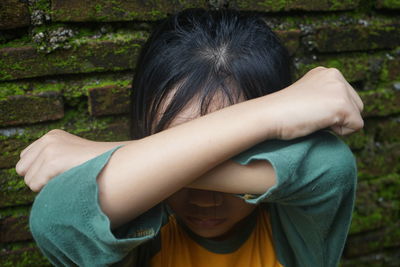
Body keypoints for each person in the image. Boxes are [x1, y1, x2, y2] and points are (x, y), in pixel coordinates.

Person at [16, 8, 364, 267]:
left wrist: (99, 155)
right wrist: (273, 112)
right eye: (179, 142)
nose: (206, 199)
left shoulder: (290, 230)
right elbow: (55, 219)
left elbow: (331, 166)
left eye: (240, 148)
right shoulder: (138, 238)